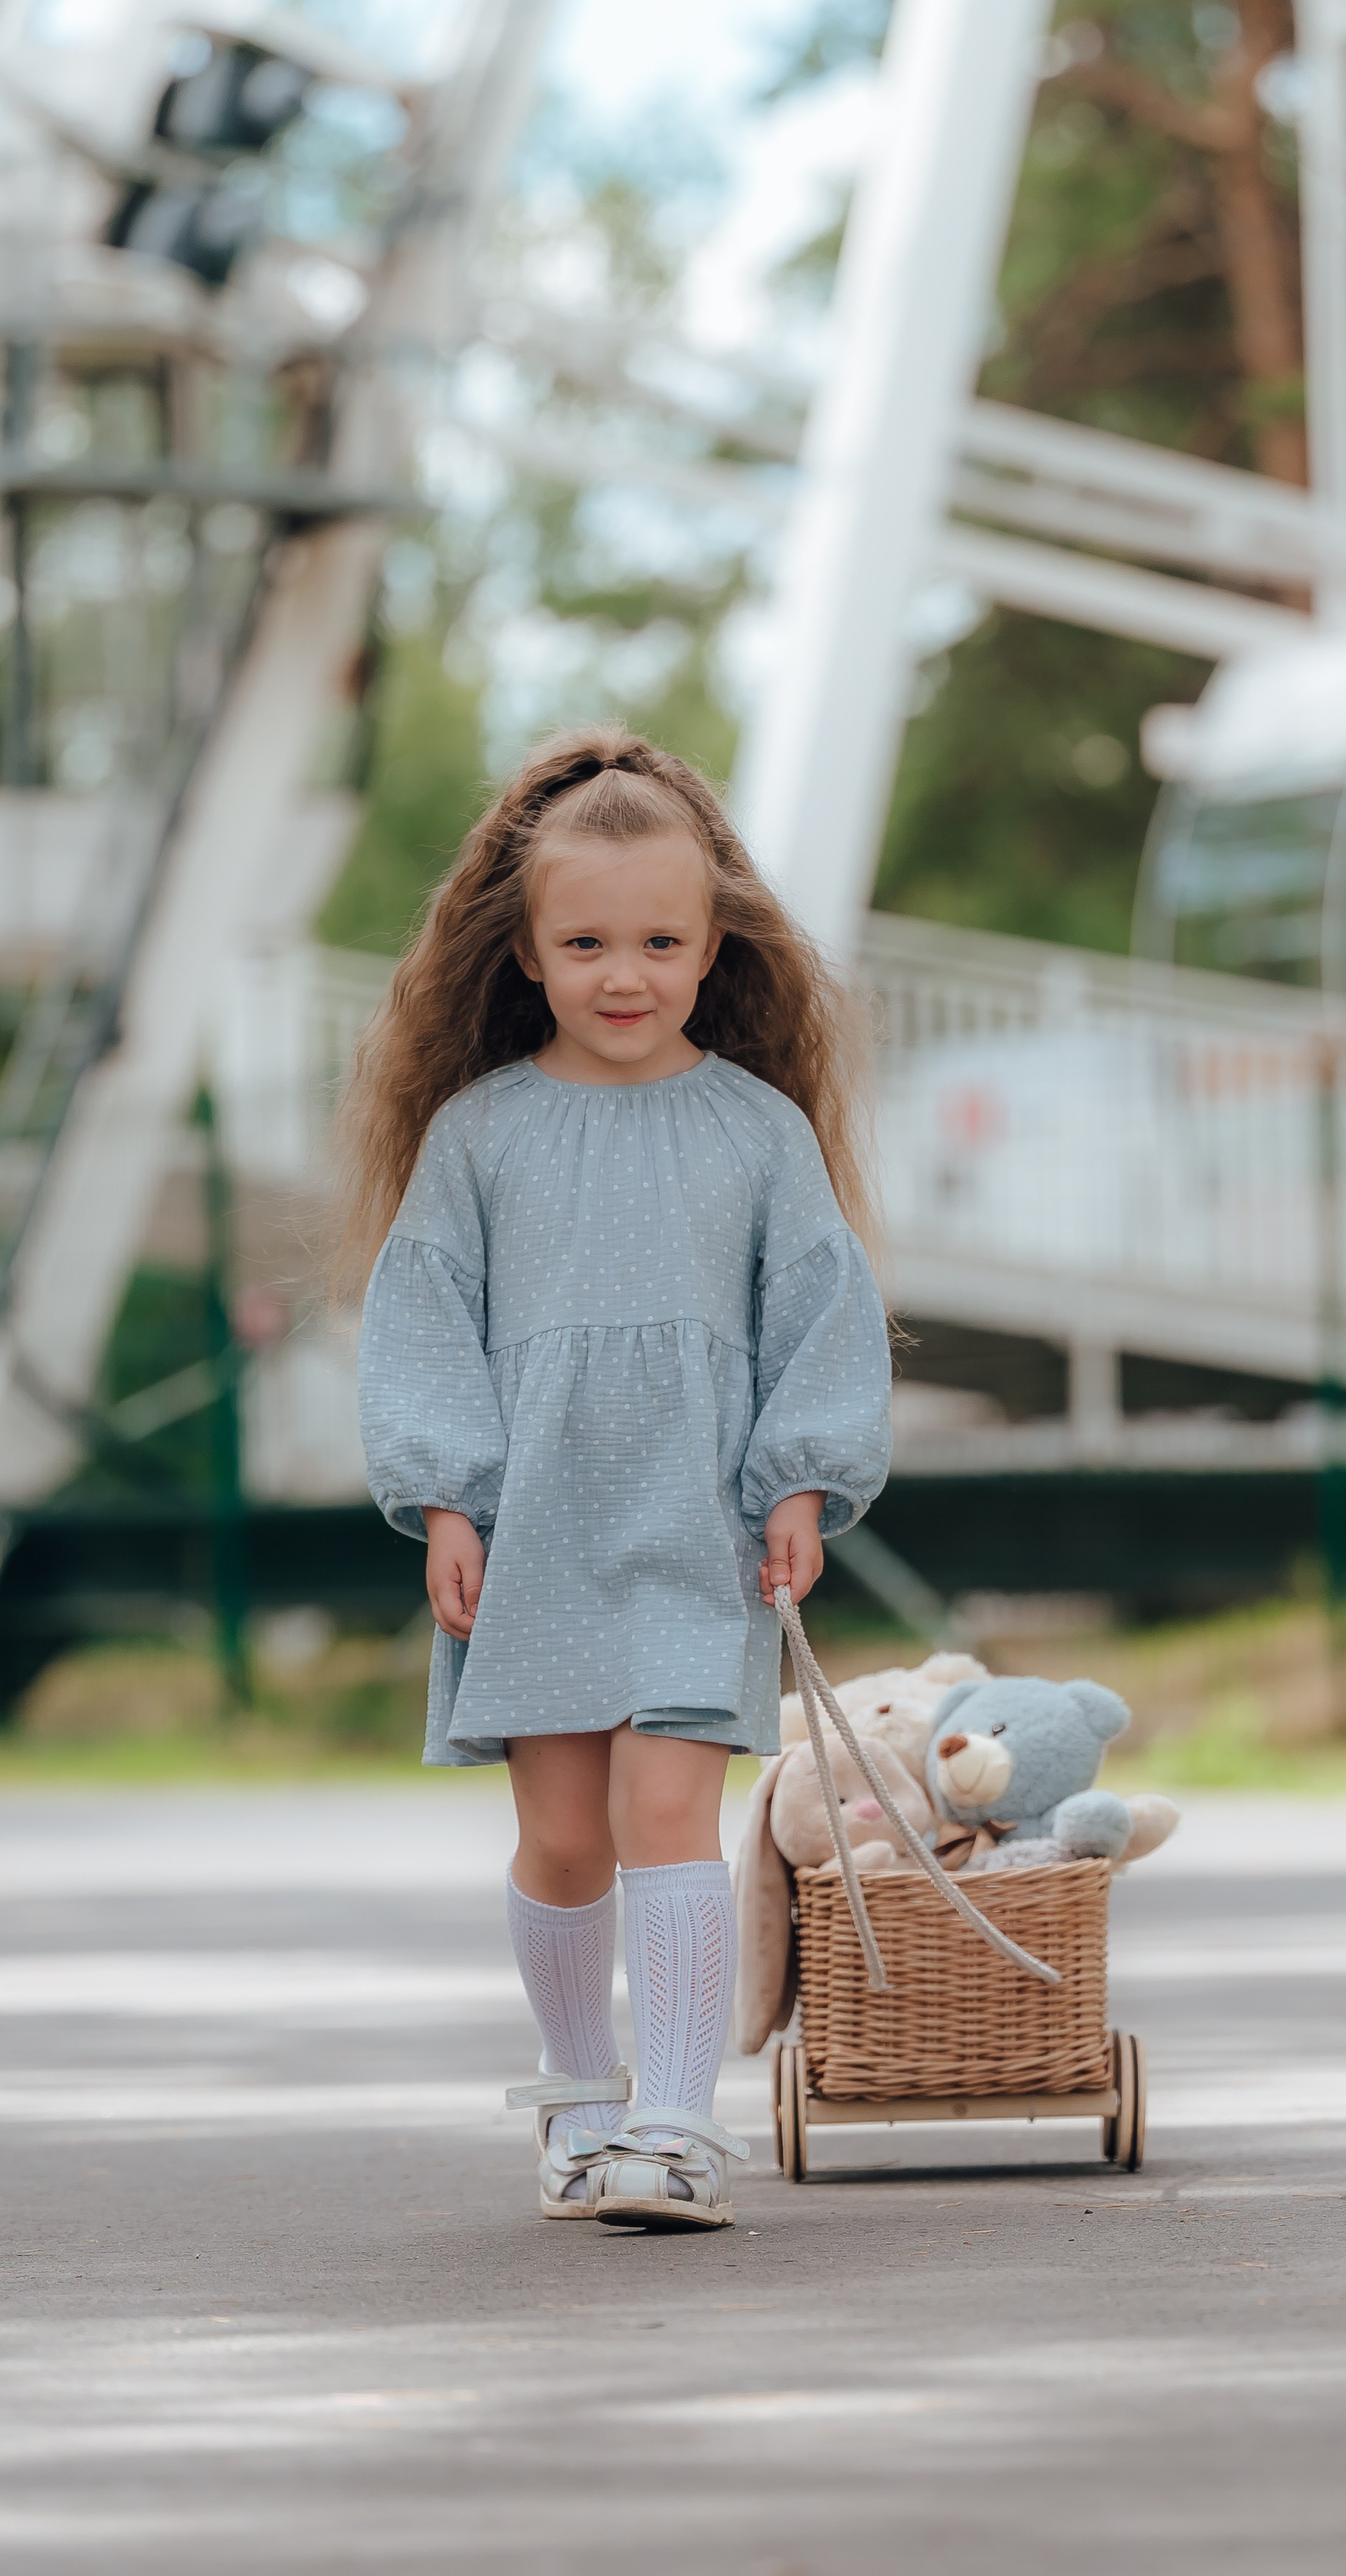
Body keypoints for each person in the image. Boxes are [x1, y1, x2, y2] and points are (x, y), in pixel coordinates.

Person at [343, 727, 891, 2231]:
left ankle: (671, 2121)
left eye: (660, 939)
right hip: (536, 1530)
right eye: (586, 941)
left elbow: (821, 1314)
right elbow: (421, 1316)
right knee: (563, 1833)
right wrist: (446, 1495)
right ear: (524, 950)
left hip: (691, 1522)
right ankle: (579, 2101)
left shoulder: (757, 1132)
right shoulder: (479, 1135)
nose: (624, 972)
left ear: (715, 946)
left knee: (669, 1811)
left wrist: (799, 1482)